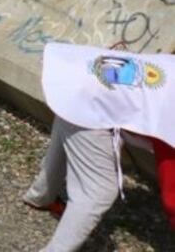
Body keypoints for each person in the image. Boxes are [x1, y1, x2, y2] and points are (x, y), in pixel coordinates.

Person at [24, 44, 175, 251]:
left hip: (80, 77)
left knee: (71, 117)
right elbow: (172, 199)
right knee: (98, 191)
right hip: (92, 96)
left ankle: (40, 196)